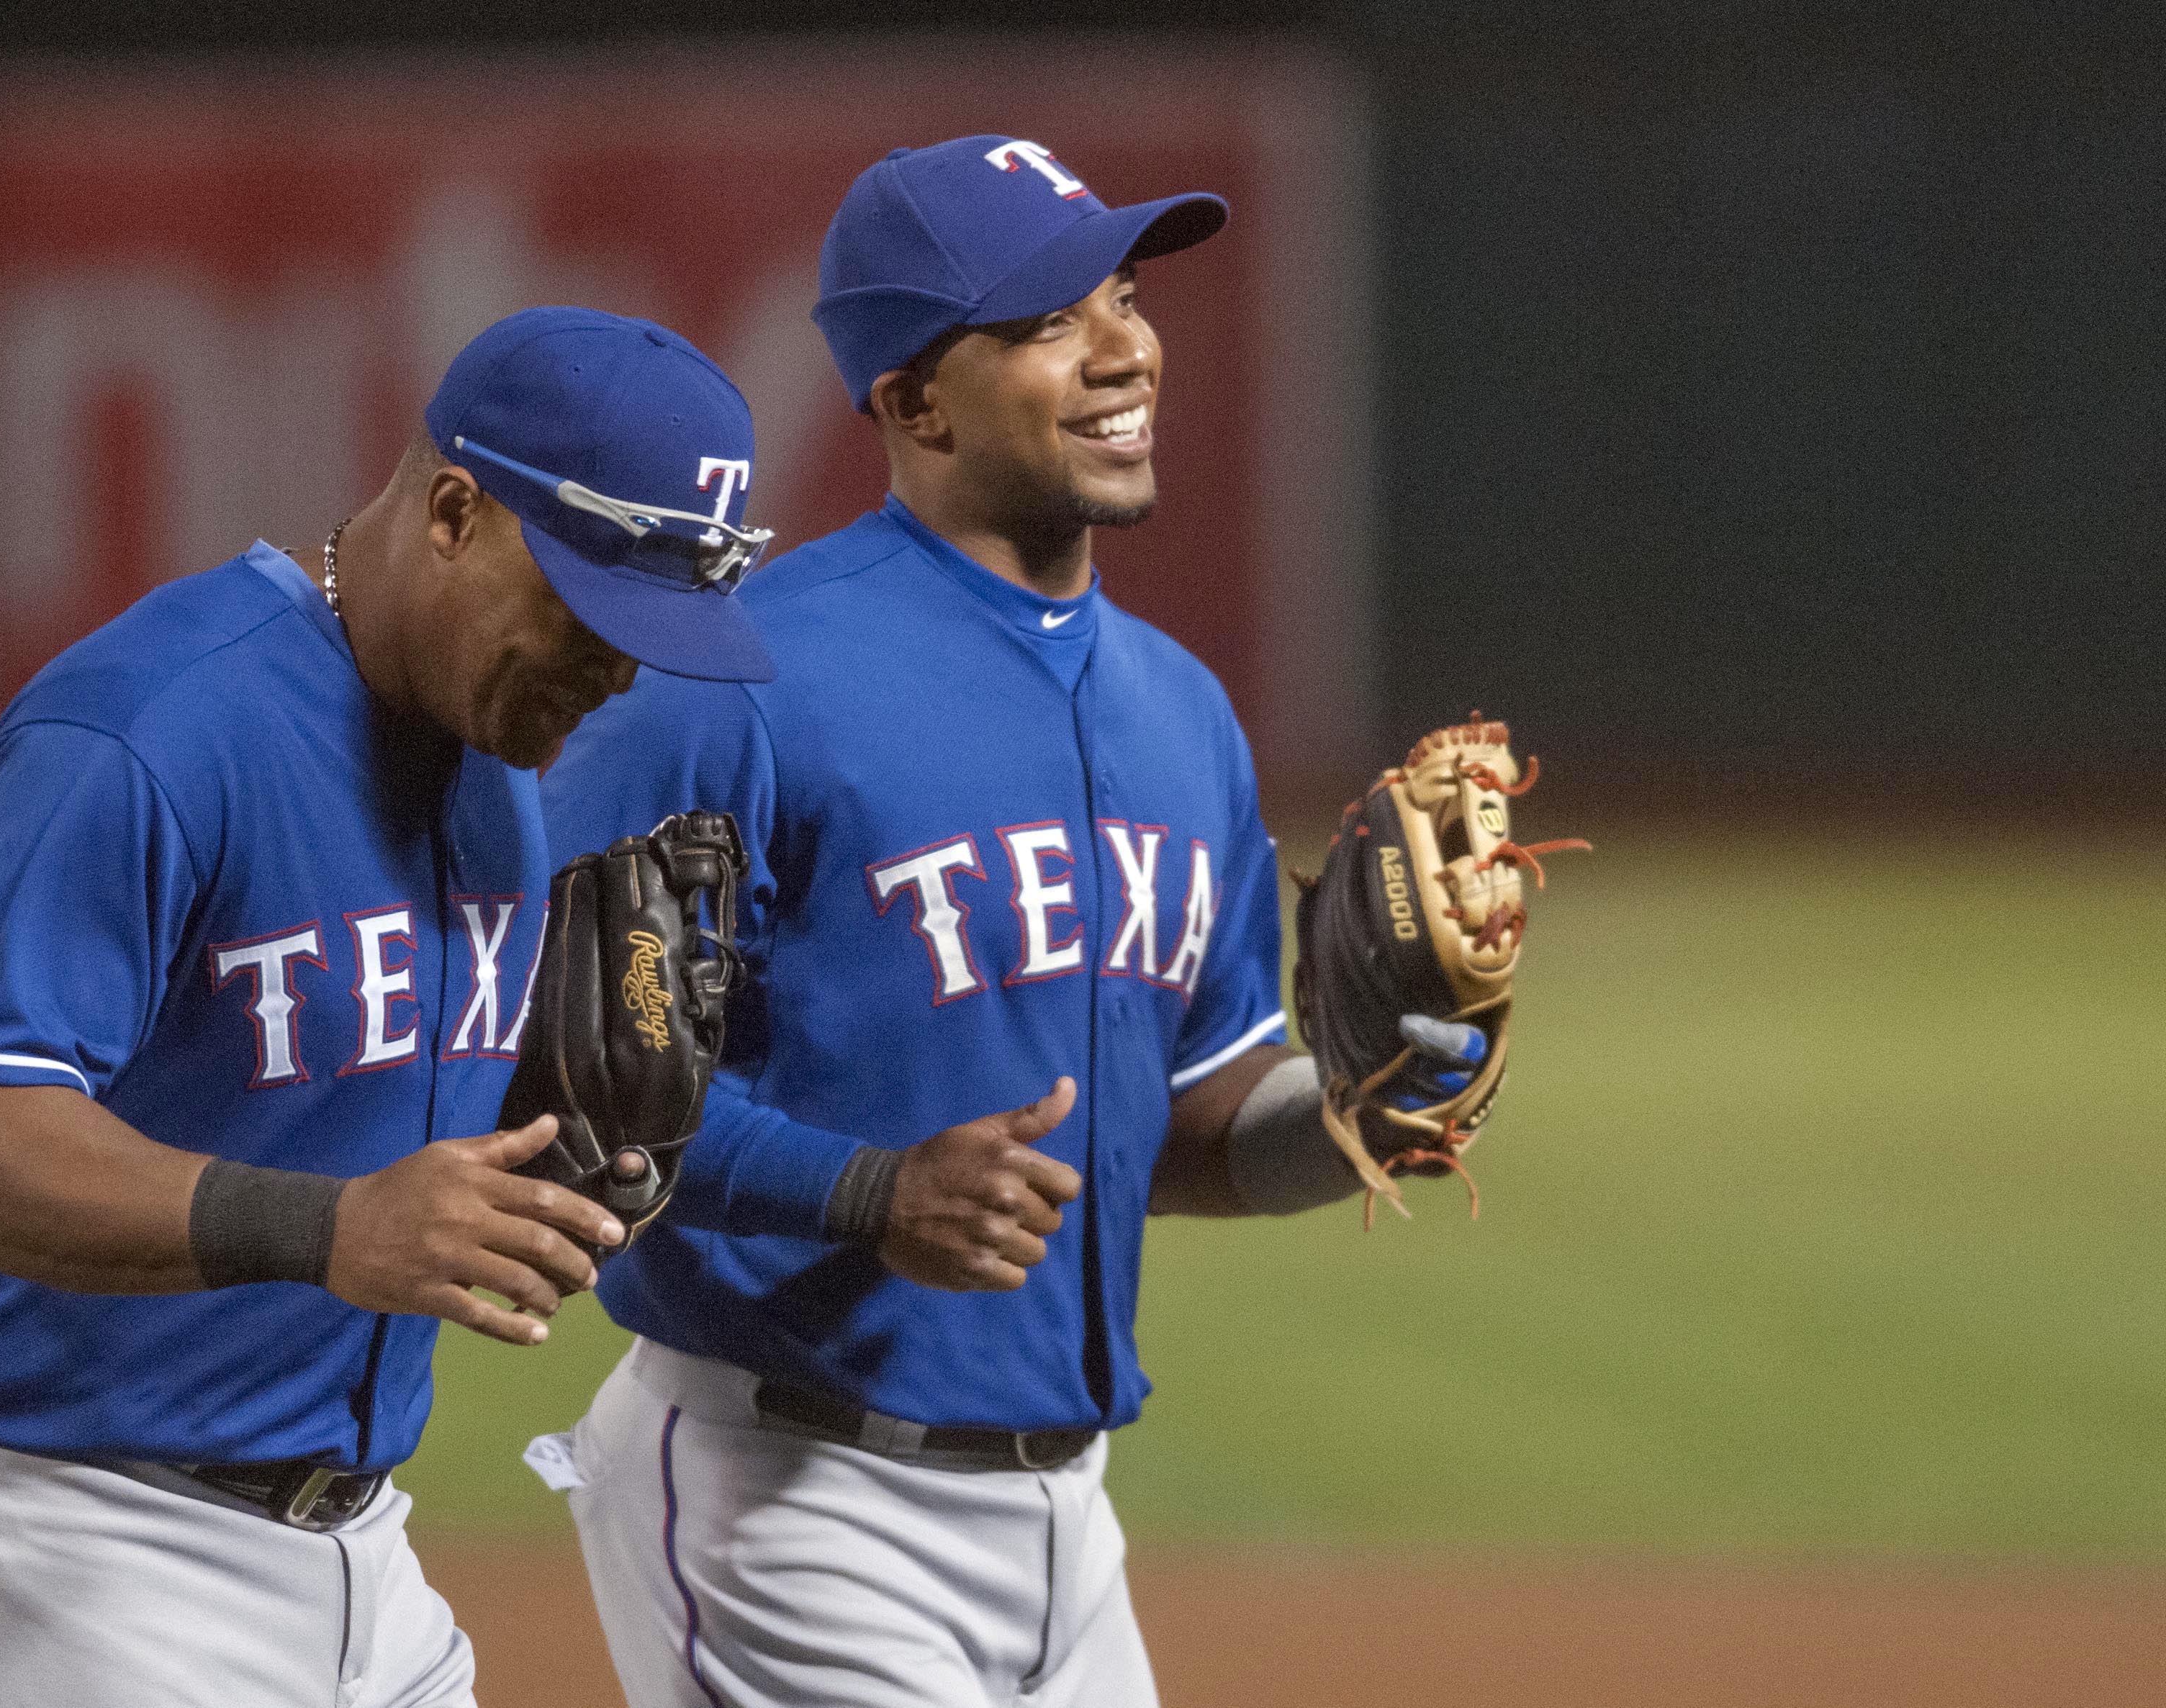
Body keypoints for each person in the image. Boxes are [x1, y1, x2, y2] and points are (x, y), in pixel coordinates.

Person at [529, 140, 1481, 1707]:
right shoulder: (727, 684)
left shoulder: (1183, 714)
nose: (1123, 346)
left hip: (1068, 1520)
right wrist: (871, 1188)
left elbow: (1193, 1126)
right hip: (790, 1493)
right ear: (912, 404)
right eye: (1045, 319)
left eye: (1121, 292)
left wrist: (1370, 1113)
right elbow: (564, 1078)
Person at [0, 307, 777, 1708]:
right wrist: (337, 1227)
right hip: (49, 1526)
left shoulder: (494, 765)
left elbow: (333, 1087)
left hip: (355, 1553)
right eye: (593, 613)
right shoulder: (154, 727)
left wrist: (559, 1154)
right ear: (455, 509)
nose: (619, 669)